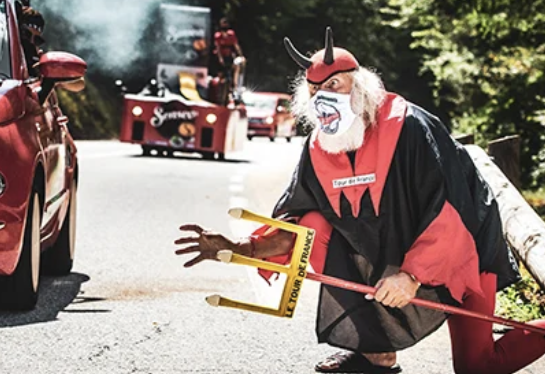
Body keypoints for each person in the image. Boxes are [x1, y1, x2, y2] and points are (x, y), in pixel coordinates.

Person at [175, 27, 545, 374]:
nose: (325, 97)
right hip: (392, 252)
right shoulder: (320, 146)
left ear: (361, 84)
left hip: (464, 248)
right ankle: (376, 353)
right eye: (316, 90)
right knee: (317, 224)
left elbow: (452, 210)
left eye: (334, 83)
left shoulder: (411, 127)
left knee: (477, 366)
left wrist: (412, 275)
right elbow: (302, 227)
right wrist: (239, 247)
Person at [214, 17, 245, 103]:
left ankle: (234, 86)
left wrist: (240, 55)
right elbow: (218, 48)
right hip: (221, 57)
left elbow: (236, 45)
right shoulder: (218, 36)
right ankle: (219, 90)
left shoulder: (231, 34)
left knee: (236, 67)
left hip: (230, 56)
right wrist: (220, 59)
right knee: (221, 74)